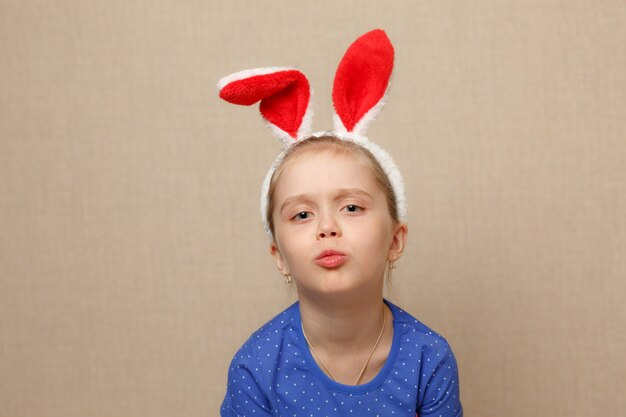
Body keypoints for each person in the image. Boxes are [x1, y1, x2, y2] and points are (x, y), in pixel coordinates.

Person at [217, 29, 463, 417]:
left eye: (351, 208)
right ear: (278, 255)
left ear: (395, 240)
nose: (327, 227)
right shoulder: (257, 367)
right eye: (302, 214)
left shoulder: (428, 359)